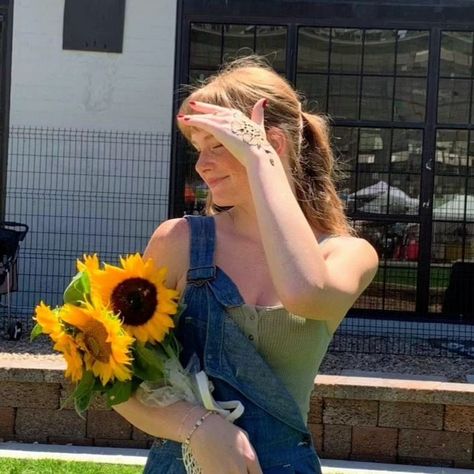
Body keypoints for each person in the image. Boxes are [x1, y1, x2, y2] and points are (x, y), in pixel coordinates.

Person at [113, 56, 379, 474]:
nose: (201, 165)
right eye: (198, 149)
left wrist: (260, 160)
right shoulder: (179, 241)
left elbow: (304, 293)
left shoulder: (346, 254)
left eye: (218, 145)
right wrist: (200, 428)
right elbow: (115, 375)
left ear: (274, 144)